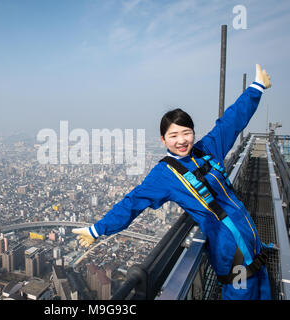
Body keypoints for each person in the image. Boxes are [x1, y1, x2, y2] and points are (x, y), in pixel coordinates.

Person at [72, 64, 273, 300]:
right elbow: (133, 202)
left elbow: (231, 122)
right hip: (233, 256)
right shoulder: (164, 174)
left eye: (186, 132)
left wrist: (256, 87)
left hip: (254, 244)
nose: (181, 140)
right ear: (163, 139)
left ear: (193, 133)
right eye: (173, 135)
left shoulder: (206, 150)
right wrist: (96, 230)